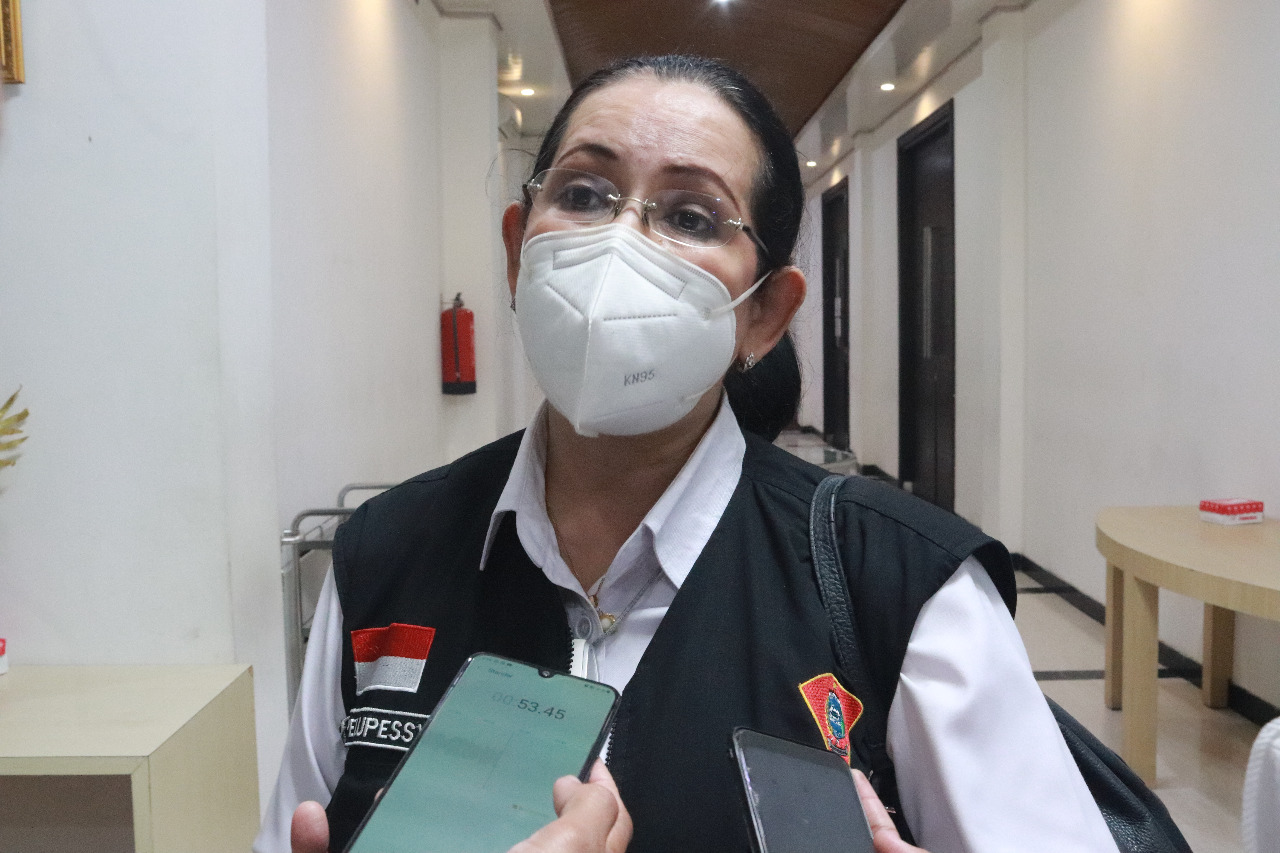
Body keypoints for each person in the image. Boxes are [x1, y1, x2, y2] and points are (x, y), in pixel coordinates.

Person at [255, 54, 1119, 853]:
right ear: (518, 250)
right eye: (584, 194)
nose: (618, 244)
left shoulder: (901, 586)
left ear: (764, 314)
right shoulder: (386, 554)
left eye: (690, 216)